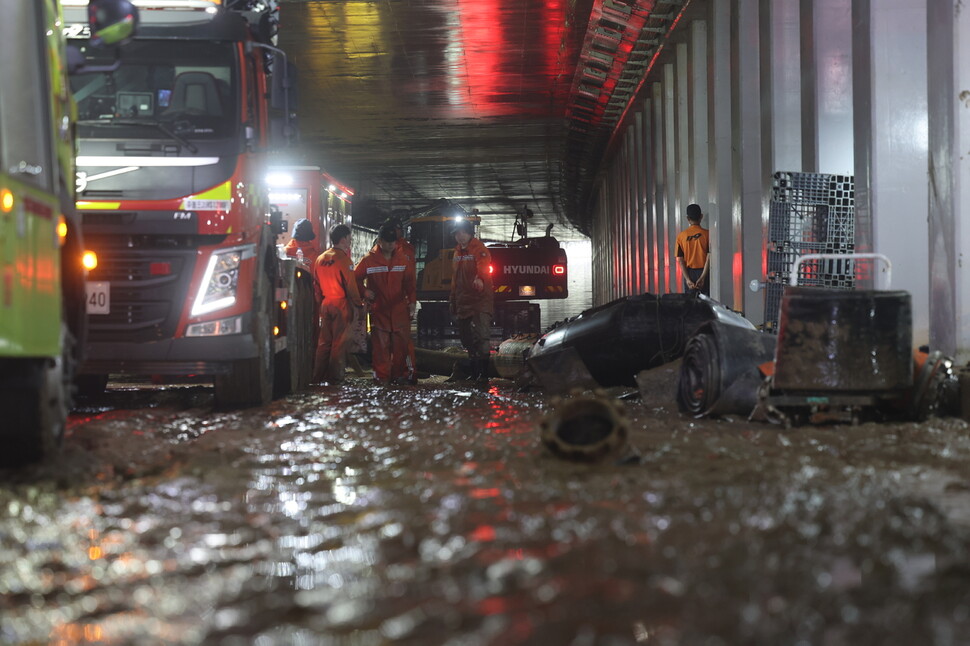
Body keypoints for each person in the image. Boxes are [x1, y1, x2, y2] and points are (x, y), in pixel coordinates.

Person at [355, 223, 417, 383]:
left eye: (393, 241)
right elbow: (355, 279)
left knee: (401, 347)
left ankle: (401, 376)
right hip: (379, 311)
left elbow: (410, 284)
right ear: (380, 241)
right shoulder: (369, 261)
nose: (391, 245)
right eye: (387, 241)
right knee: (380, 348)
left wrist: (412, 302)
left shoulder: (403, 260)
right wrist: (364, 292)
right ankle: (382, 377)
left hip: (399, 311)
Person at [312, 223, 364, 384]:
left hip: (326, 304)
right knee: (339, 343)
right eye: (349, 238)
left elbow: (316, 285)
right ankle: (335, 378)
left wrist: (320, 304)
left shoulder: (320, 259)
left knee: (324, 343)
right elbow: (351, 286)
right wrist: (359, 305)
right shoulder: (344, 260)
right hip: (341, 305)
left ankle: (317, 377)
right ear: (343, 239)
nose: (351, 242)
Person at [449, 218, 493, 384]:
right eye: (457, 234)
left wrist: (480, 278)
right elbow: (455, 279)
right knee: (466, 338)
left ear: (469, 233)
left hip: (479, 300)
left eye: (463, 233)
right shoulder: (457, 252)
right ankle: (474, 373)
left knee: (481, 337)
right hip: (462, 301)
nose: (460, 237)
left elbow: (483, 265)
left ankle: (484, 374)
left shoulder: (479, 249)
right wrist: (452, 299)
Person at [675, 203, 711, 296]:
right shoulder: (708, 235)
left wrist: (687, 279)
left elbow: (681, 260)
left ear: (688, 218)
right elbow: (709, 256)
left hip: (689, 272)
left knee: (690, 303)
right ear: (701, 216)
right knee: (705, 303)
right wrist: (703, 277)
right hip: (704, 271)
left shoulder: (681, 236)